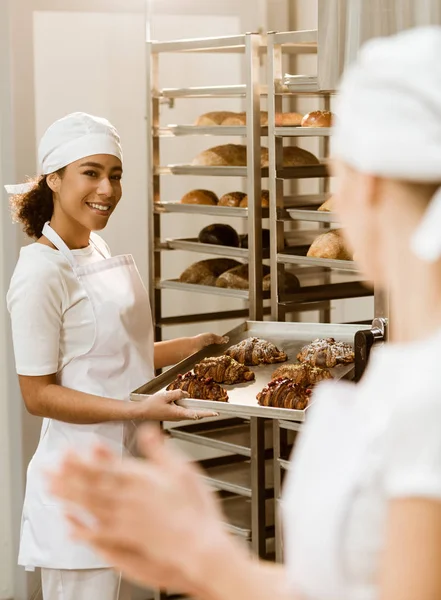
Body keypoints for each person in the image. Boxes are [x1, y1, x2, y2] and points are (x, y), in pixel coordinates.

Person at [48, 26, 441, 600]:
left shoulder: (425, 394)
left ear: (370, 185)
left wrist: (208, 559)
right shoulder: (413, 376)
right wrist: (203, 562)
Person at [5, 111, 225, 600]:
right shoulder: (41, 272)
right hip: (79, 485)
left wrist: (187, 349)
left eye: (116, 174)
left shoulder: (96, 250)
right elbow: (38, 395)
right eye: (90, 172)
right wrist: (136, 408)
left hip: (129, 469)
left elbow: (110, 353)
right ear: (54, 179)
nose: (107, 188)